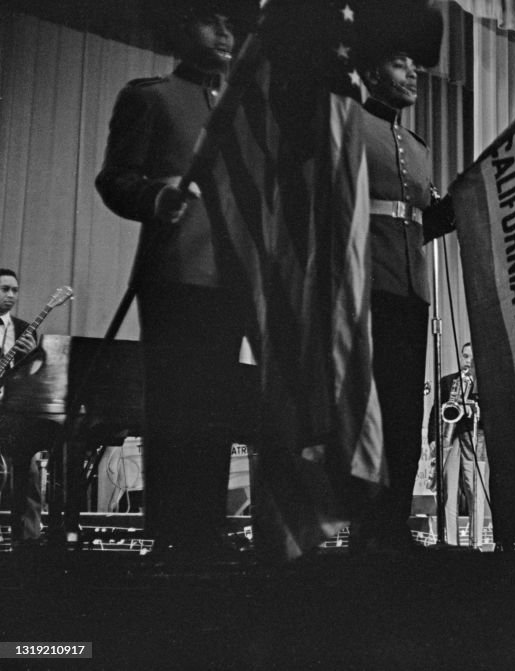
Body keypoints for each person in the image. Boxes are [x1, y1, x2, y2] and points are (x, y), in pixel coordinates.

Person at [95, 2, 253, 558]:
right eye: (212, 20)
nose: (225, 33)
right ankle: (171, 535)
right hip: (176, 269)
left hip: (234, 276)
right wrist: (156, 197)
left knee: (216, 408)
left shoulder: (243, 112)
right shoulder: (150, 96)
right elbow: (115, 178)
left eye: (232, 24)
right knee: (174, 406)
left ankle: (207, 530)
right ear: (183, 28)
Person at [353, 43, 455, 553]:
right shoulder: (349, 126)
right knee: (365, 411)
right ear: (371, 71)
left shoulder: (417, 145)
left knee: (403, 414)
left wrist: (456, 209)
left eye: (414, 64)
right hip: (364, 287)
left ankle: (391, 524)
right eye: (399, 62)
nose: (413, 71)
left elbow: (421, 222)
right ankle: (364, 524)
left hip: (412, 291)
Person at [0, 269, 61, 546]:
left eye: (14, 290)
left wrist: (29, 355)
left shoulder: (26, 329)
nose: (10, 295)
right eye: (4, 289)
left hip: (12, 414)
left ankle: (28, 543)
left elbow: (34, 377)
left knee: (30, 474)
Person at [429, 342, 489, 547]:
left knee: (475, 493)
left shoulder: (487, 383)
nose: (468, 361)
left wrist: (475, 409)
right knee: (447, 493)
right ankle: (450, 542)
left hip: (474, 439)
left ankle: (476, 543)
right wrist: (432, 440)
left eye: (472, 357)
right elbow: (434, 411)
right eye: (465, 356)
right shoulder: (448, 381)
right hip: (450, 439)